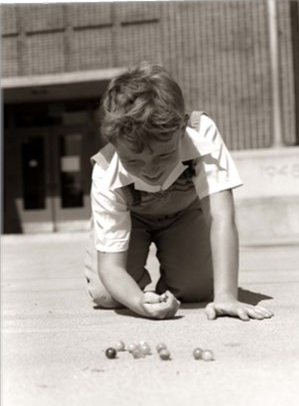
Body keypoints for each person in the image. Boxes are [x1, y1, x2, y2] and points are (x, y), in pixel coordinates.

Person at [84, 61, 273, 322]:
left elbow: (221, 216)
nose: (150, 170)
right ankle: (142, 286)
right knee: (108, 294)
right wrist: (140, 303)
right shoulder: (106, 169)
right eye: (134, 162)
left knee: (198, 290)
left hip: (184, 214)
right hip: (131, 220)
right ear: (114, 143)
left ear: (181, 129)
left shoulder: (201, 132)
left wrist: (226, 295)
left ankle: (176, 279)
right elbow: (111, 266)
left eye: (163, 156)